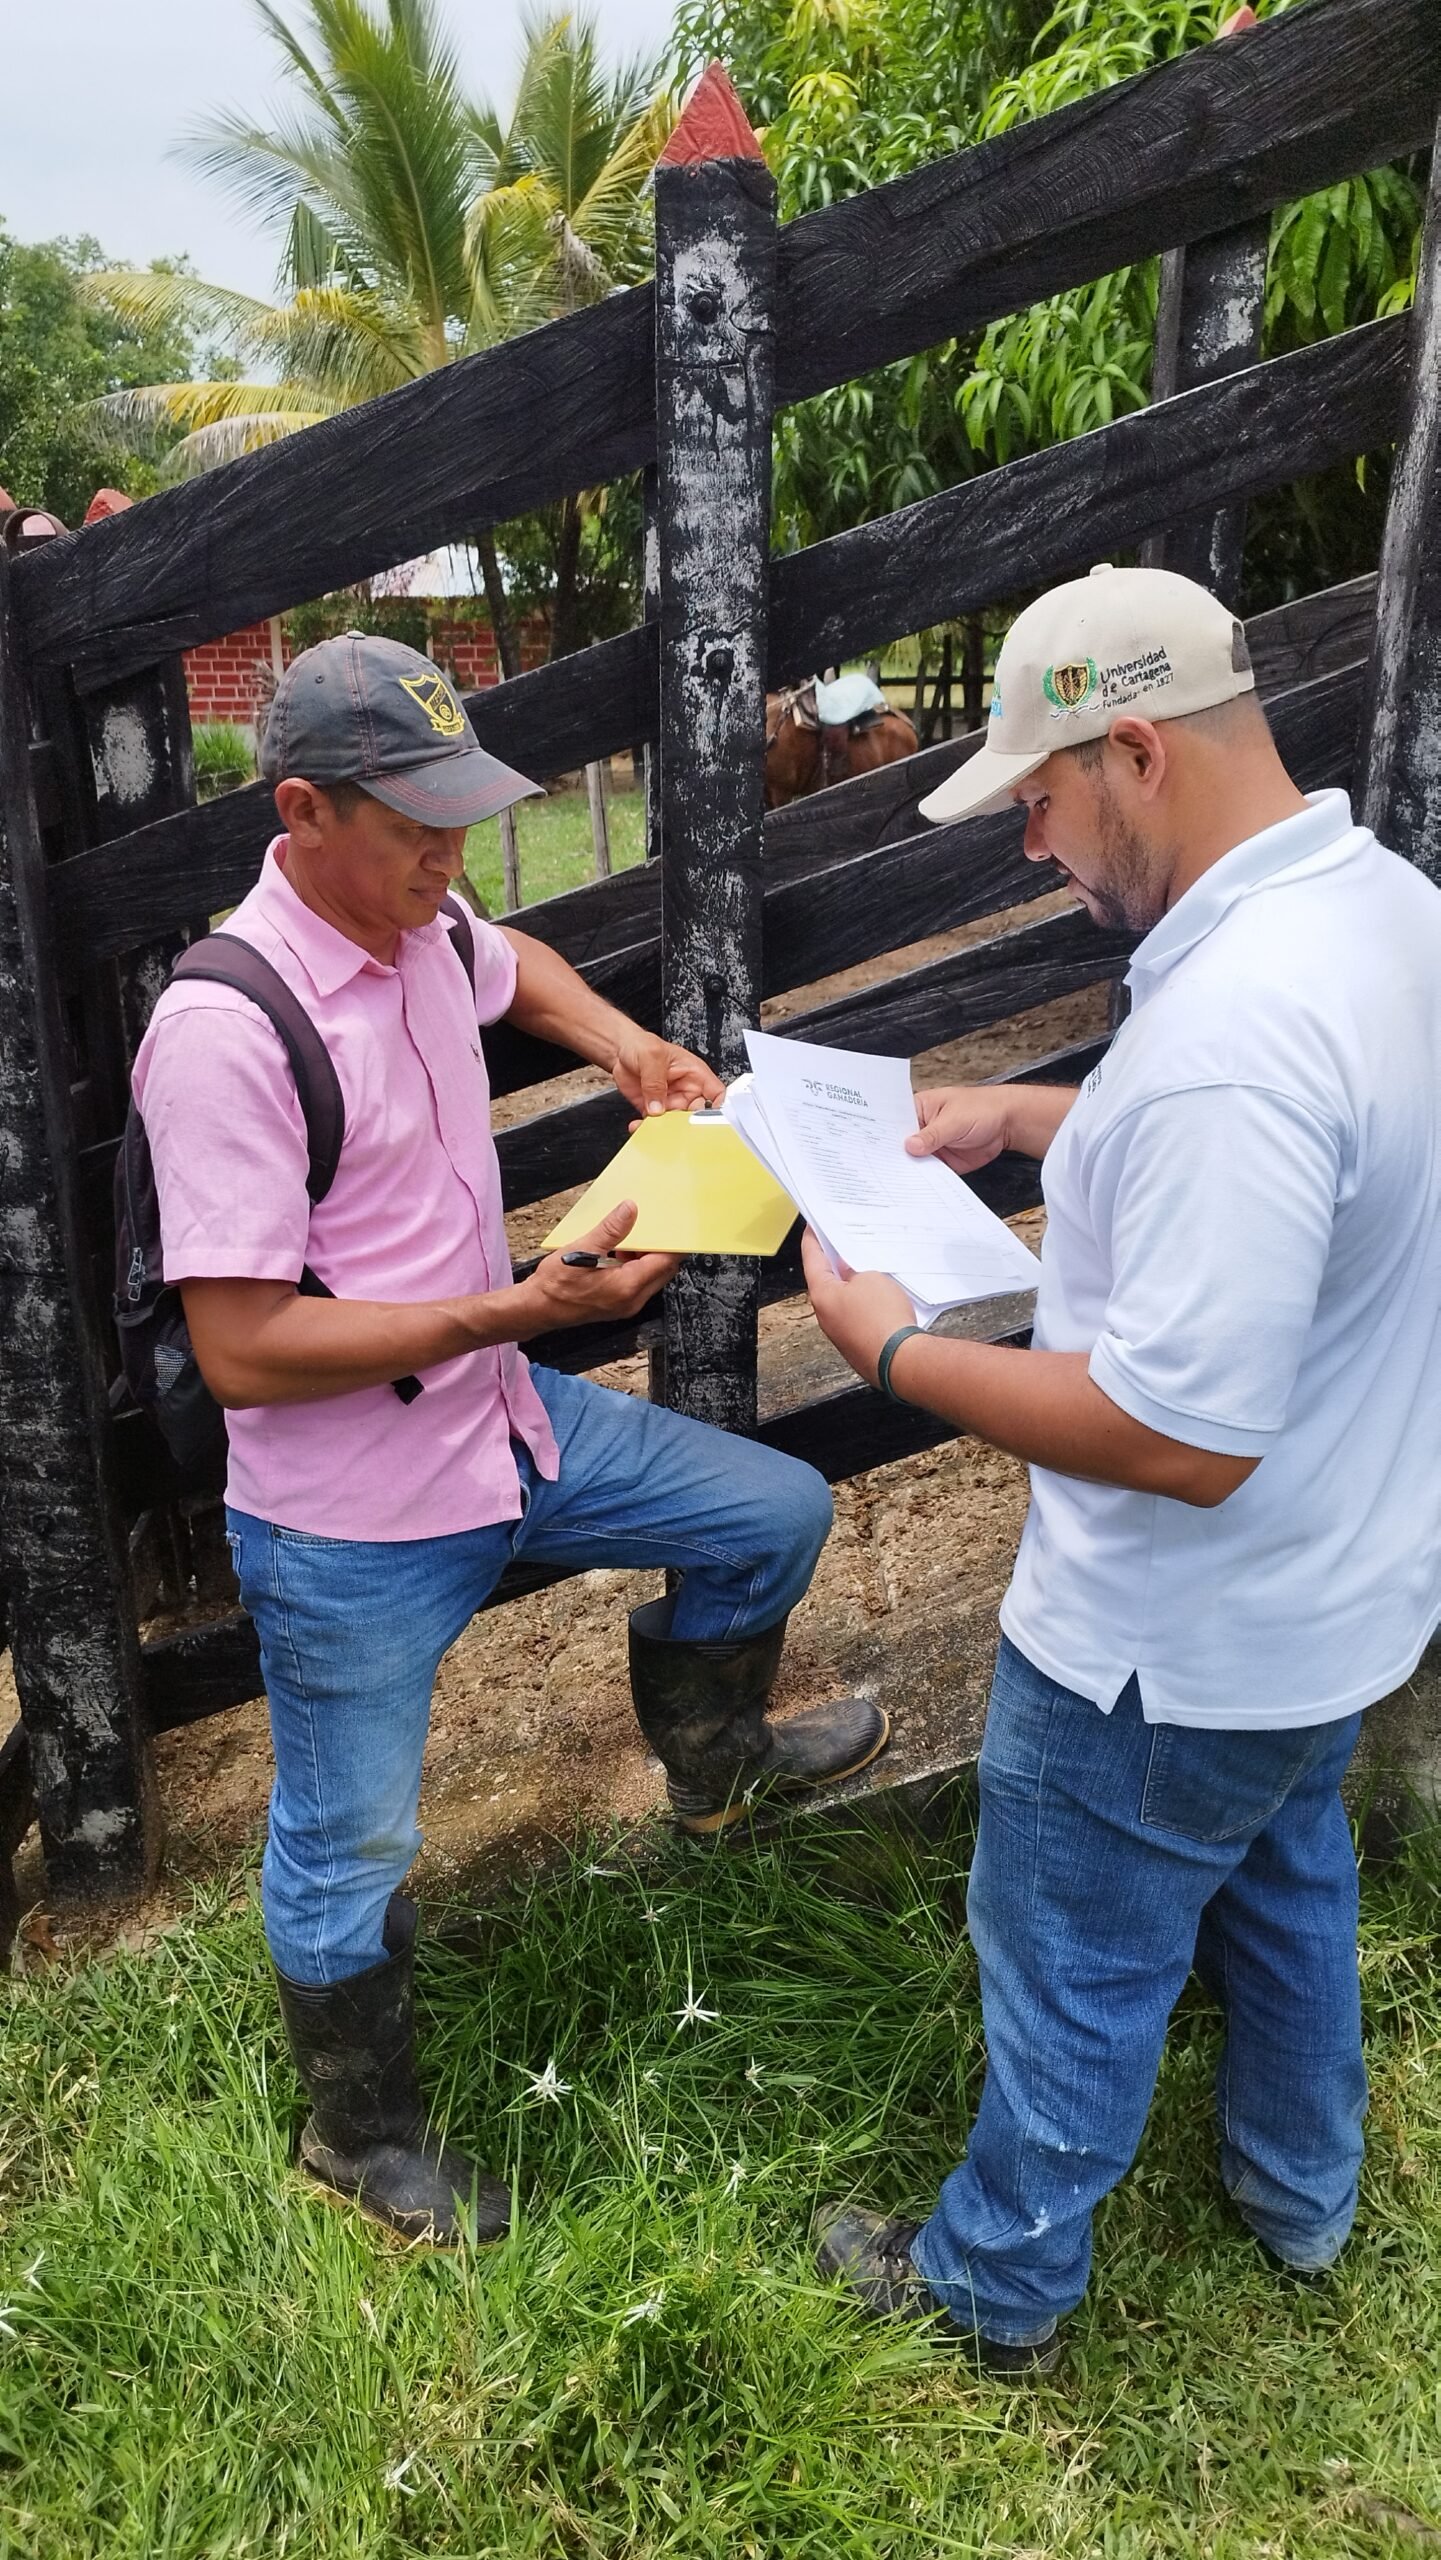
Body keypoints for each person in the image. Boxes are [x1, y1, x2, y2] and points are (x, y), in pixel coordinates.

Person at [132, 631, 889, 2244]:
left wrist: (621, 1046)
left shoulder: (415, 919)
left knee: (769, 1514)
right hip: (347, 1513)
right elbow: (242, 1351)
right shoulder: (226, 1029)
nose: (452, 859)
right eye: (418, 825)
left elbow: (511, 956)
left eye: (461, 820)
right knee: (348, 1841)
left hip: (505, 1429)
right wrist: (514, 1311)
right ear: (301, 813)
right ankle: (359, 2136)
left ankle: (714, 1771)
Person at [806, 564, 1441, 2372]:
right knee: (1283, 1879)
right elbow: (1296, 1162)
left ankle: (993, 2287)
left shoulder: (1233, 1034)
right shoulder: (1379, 907)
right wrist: (1034, 1118)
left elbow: (1179, 1435)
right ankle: (1299, 2192)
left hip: (1162, 1651)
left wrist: (894, 1353)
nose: (1031, 844)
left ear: (1136, 751)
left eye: (1038, 797)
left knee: (1069, 1961)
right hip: (1338, 1603)